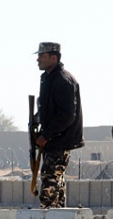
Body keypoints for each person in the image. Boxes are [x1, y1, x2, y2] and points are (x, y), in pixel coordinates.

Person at [35, 42, 84, 208]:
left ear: (53, 58)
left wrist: (46, 135)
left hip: (59, 139)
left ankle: (46, 216)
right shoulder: (48, 79)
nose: (38, 59)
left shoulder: (63, 80)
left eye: (42, 56)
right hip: (52, 139)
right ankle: (57, 217)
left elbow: (67, 115)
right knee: (57, 181)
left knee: (50, 179)